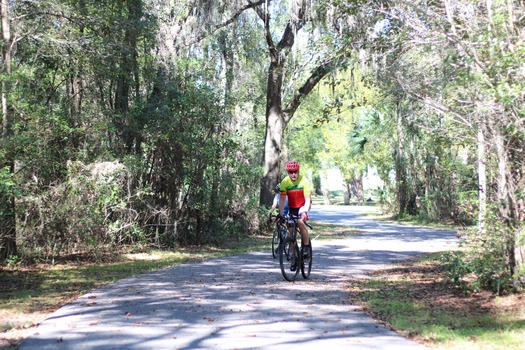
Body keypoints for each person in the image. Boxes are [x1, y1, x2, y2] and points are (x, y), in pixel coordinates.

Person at [277, 160, 312, 268]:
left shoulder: (304, 181)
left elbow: (307, 200)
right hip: (292, 207)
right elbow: (282, 199)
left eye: (295, 171)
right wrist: (281, 214)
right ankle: (293, 257)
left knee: (300, 222)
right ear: (288, 172)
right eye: (290, 172)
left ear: (298, 171)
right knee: (291, 231)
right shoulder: (285, 182)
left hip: (303, 205)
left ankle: (306, 247)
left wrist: (305, 212)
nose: (293, 174)